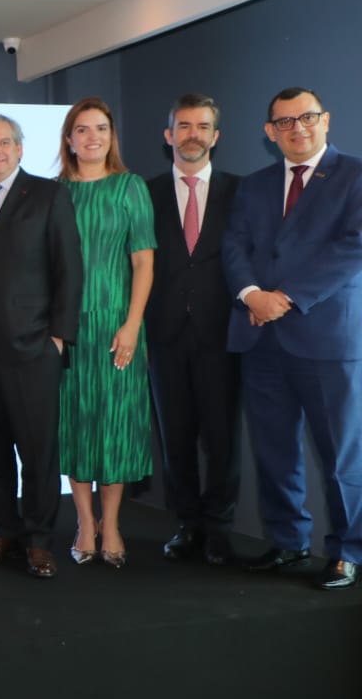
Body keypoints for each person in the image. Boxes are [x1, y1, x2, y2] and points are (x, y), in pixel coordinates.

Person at [223, 87, 362, 590]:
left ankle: (347, 552)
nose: (297, 128)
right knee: (274, 452)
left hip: (326, 339)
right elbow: (234, 244)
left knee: (341, 456)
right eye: (284, 122)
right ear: (270, 132)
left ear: (325, 120)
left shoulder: (355, 176)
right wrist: (251, 294)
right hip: (260, 337)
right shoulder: (255, 185)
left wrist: (286, 296)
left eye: (306, 117)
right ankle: (287, 542)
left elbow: (354, 246)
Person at [0, 114, 83, 579]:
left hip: (32, 350)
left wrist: (59, 338)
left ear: (20, 148)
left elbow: (69, 268)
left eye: (4, 143)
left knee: (37, 451)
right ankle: (4, 531)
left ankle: (40, 540)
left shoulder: (48, 196)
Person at [55, 98, 155, 569]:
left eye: (100, 128)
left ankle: (111, 523)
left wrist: (132, 324)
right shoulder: (54, 192)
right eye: (82, 129)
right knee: (75, 423)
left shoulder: (130, 187)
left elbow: (144, 261)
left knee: (116, 425)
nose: (92, 137)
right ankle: (83, 522)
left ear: (111, 136)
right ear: (69, 139)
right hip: (68, 327)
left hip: (119, 325)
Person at [145, 94, 241, 565]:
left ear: (215, 136)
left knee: (222, 439)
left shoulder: (241, 191)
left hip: (223, 333)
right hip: (163, 334)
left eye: (202, 126)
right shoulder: (145, 193)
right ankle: (186, 524)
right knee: (175, 438)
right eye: (183, 126)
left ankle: (219, 527)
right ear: (169, 135)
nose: (192, 135)